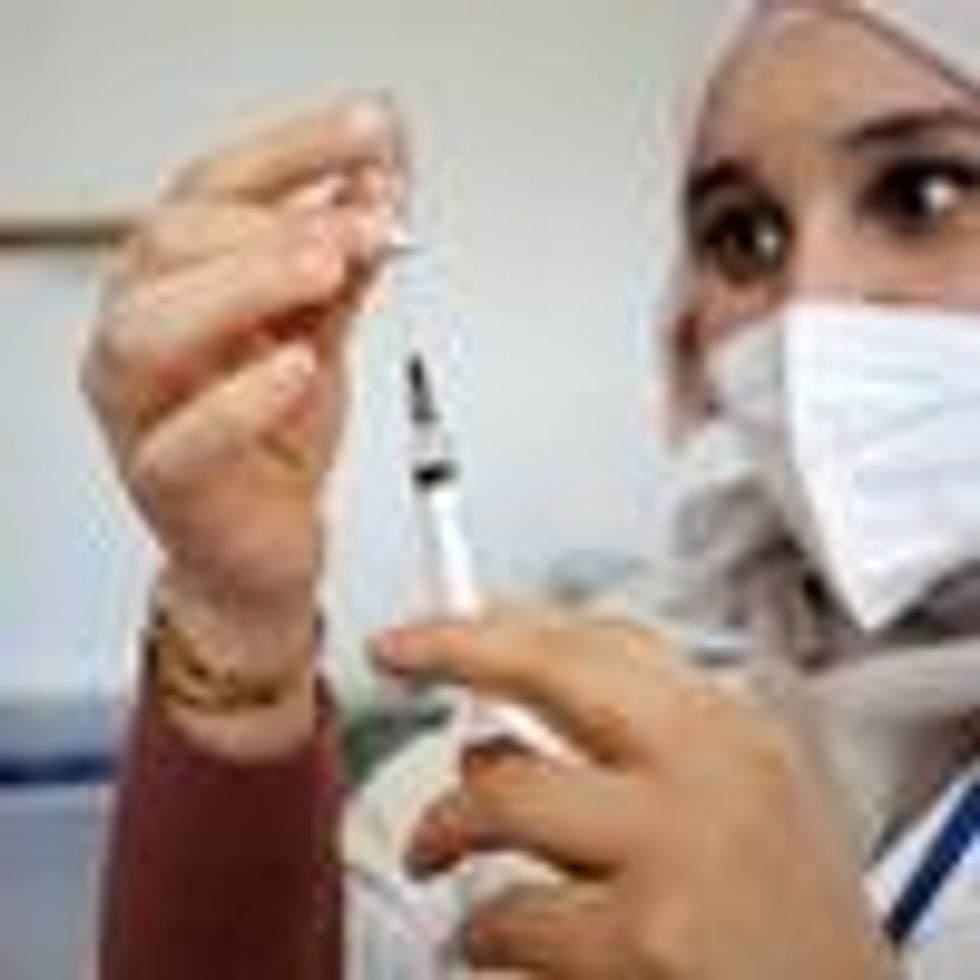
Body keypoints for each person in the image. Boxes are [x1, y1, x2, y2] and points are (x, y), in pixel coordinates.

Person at [84, 1, 978, 977]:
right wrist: (232, 619)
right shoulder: (562, 724)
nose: (810, 301)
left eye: (924, 192)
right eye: (742, 235)